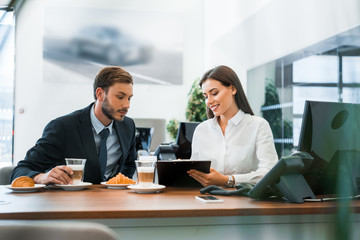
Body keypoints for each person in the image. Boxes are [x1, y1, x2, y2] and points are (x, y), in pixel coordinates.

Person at [10, 66, 137, 185]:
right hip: (71, 203)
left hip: (113, 203)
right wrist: (42, 177)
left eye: (129, 98)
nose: (127, 105)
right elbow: (21, 170)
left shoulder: (128, 126)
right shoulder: (62, 127)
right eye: (120, 97)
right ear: (100, 94)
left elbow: (129, 165)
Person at [188, 65, 278, 188]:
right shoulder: (201, 130)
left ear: (233, 89)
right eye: (205, 96)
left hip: (245, 201)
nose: (208, 101)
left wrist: (228, 180)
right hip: (208, 199)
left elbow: (270, 172)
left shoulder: (258, 126)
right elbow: (196, 174)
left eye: (214, 93)